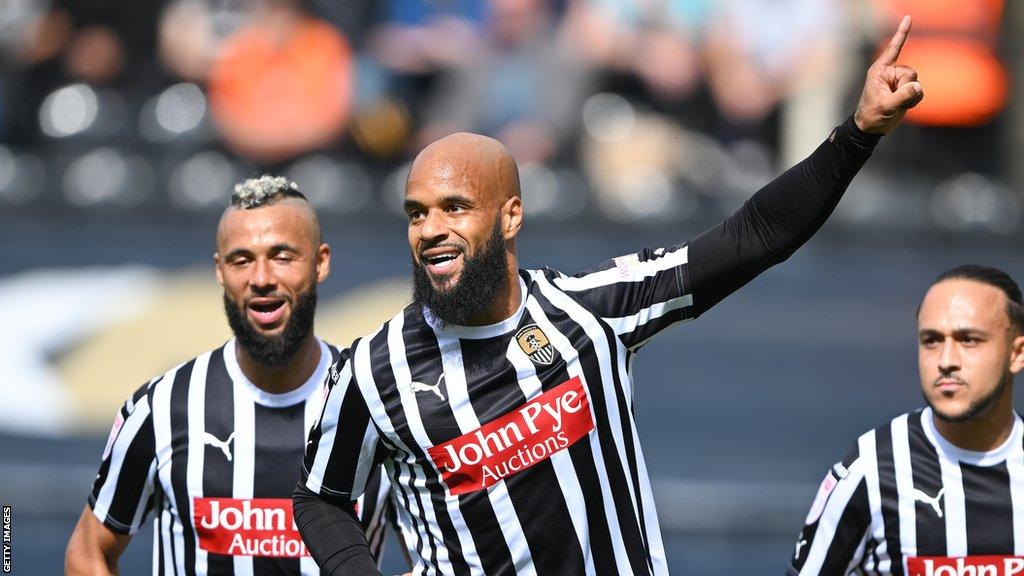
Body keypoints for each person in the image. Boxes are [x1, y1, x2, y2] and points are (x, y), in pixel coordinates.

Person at [294, 16, 924, 576]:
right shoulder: (374, 371)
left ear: (510, 216)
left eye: (454, 207)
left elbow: (755, 235)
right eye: (416, 214)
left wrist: (860, 131)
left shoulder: (589, 311)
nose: (431, 230)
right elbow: (320, 500)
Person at [64, 176, 393, 575]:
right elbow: (89, 552)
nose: (261, 278)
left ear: (320, 262)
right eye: (242, 260)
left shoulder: (380, 404)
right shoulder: (164, 408)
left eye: (282, 256)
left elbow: (442, 554)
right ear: (220, 271)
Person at [789, 265, 1024, 576]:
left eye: (968, 340)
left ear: (1017, 353)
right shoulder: (872, 469)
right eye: (932, 340)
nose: (946, 361)